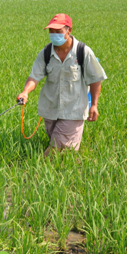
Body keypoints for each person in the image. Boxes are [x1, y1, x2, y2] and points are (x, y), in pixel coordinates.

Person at [16, 14, 107, 156]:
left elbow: (95, 79)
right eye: (51, 31)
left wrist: (94, 105)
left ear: (69, 30)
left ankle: (36, 172)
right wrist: (25, 92)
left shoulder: (83, 52)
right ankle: (67, 167)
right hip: (51, 109)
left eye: (58, 31)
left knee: (54, 151)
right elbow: (34, 77)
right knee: (61, 149)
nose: (54, 35)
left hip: (73, 110)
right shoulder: (45, 53)